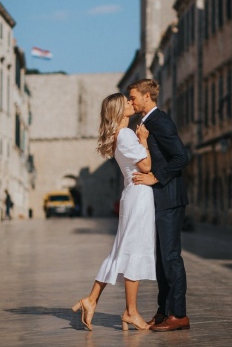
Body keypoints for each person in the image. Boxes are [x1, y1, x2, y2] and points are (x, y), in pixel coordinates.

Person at [72, 93, 156, 331]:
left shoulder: (118, 136)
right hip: (139, 195)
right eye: (127, 102)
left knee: (122, 252)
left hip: (132, 193)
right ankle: (131, 312)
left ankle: (91, 299)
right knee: (133, 251)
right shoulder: (128, 135)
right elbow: (146, 166)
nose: (132, 103)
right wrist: (144, 140)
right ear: (119, 109)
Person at [129, 79, 190, 332]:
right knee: (160, 261)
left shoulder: (160, 121)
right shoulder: (146, 123)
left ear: (146, 97)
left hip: (169, 199)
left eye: (133, 97)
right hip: (158, 201)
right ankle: (164, 311)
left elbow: (180, 156)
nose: (131, 101)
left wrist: (157, 176)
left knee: (171, 258)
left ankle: (179, 314)